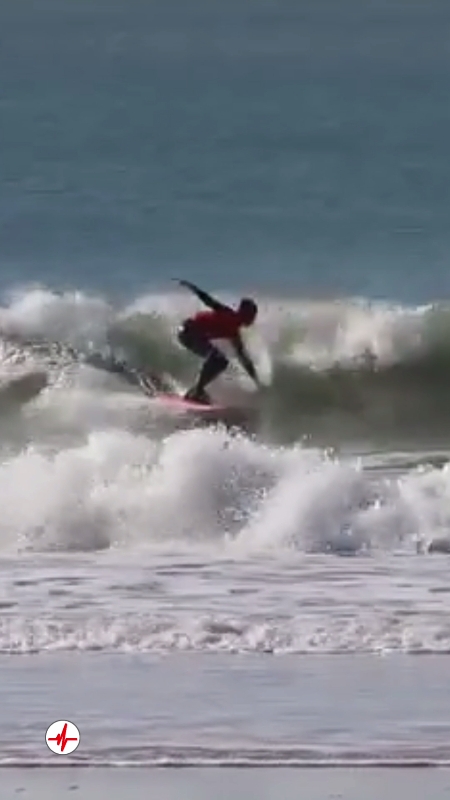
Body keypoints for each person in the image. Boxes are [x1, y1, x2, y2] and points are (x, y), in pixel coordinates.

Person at [176, 280, 261, 404]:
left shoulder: (234, 333)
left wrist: (256, 380)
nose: (253, 319)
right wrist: (192, 287)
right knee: (217, 357)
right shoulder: (227, 313)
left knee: (221, 361)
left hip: (195, 336)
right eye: (252, 315)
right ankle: (197, 391)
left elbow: (243, 358)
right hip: (187, 331)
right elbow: (208, 300)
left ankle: (197, 390)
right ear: (243, 313)